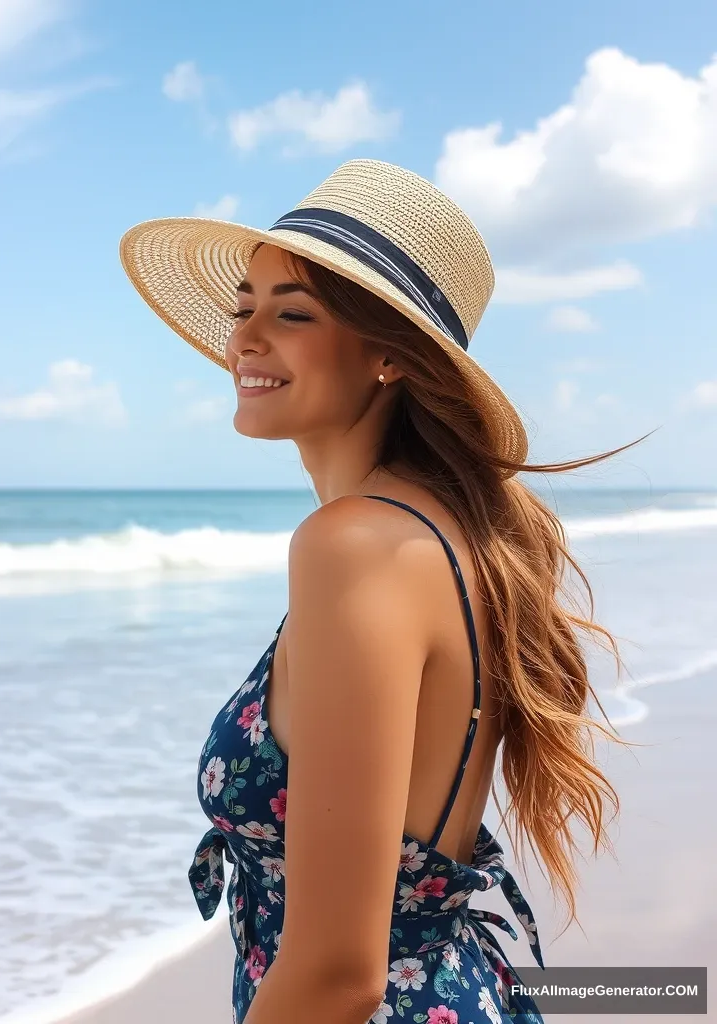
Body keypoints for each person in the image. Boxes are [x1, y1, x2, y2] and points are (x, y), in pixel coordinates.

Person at [118, 159, 635, 1024]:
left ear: (390, 354)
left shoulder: (353, 546)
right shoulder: (445, 533)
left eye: (292, 314)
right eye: (245, 306)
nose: (244, 337)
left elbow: (337, 973)